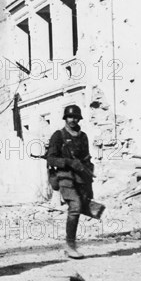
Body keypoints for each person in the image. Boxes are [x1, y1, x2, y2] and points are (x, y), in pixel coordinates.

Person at [47, 105, 95, 259]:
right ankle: (70, 246)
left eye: (76, 117)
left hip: (81, 176)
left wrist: (88, 173)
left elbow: (87, 158)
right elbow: (51, 158)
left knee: (81, 205)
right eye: (70, 117)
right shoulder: (58, 135)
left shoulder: (83, 136)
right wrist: (69, 162)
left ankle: (71, 243)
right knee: (75, 206)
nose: (73, 120)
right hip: (65, 176)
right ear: (65, 118)